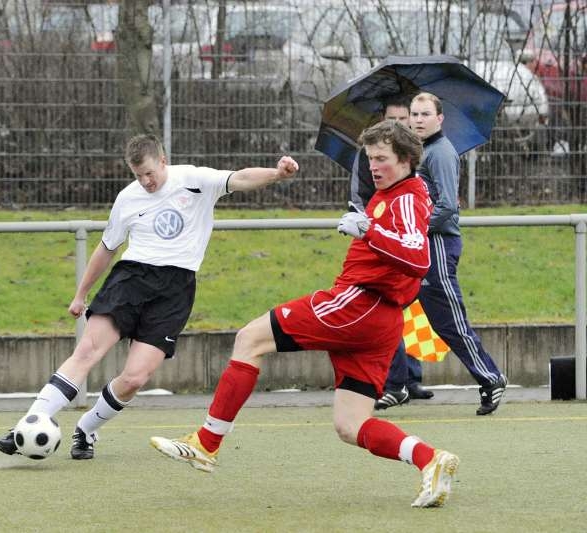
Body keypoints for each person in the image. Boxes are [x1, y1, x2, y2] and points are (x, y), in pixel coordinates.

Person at [151, 120, 460, 508]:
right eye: (369, 159)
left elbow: (417, 260)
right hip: (379, 321)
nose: (373, 166)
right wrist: (371, 226)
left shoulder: (405, 197)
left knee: (249, 339)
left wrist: (370, 233)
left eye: (382, 159)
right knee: (350, 426)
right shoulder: (400, 193)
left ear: (407, 159)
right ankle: (430, 460)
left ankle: (206, 443)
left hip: (358, 305)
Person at [0, 133, 299, 460]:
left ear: (163, 160)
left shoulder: (195, 180)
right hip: (131, 278)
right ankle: (28, 423)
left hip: (176, 289)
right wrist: (80, 294)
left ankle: (86, 429)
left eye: (150, 173)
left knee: (135, 377)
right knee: (87, 351)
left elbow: (239, 178)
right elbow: (107, 248)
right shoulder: (128, 198)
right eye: (138, 175)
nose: (145, 181)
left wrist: (277, 174)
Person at [409, 92, 507, 416]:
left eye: (425, 114)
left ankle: (491, 378)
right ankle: (383, 383)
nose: (419, 119)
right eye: (415, 114)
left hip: (436, 245)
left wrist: (417, 229)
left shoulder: (440, 153)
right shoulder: (420, 152)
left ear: (440, 119)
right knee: (383, 307)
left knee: (450, 322)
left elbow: (448, 206)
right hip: (420, 246)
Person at [350, 95, 435, 409]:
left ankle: (401, 381)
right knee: (391, 319)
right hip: (385, 255)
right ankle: (399, 381)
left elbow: (417, 249)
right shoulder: (380, 179)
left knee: (407, 316)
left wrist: (372, 230)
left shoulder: (409, 189)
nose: (401, 125)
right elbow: (361, 198)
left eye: (406, 119)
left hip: (413, 255)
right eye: (394, 120)